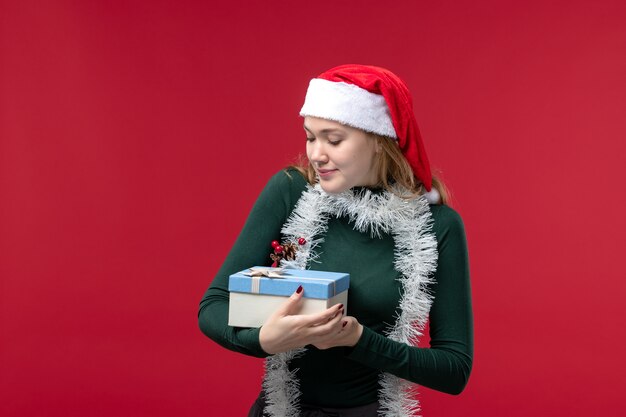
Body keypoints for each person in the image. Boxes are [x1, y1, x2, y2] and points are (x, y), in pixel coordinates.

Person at [198, 64, 473, 417]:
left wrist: (358, 340)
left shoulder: (438, 226)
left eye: (334, 139)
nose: (316, 154)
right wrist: (264, 339)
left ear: (378, 140)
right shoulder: (290, 192)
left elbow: (454, 370)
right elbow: (214, 305)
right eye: (311, 136)